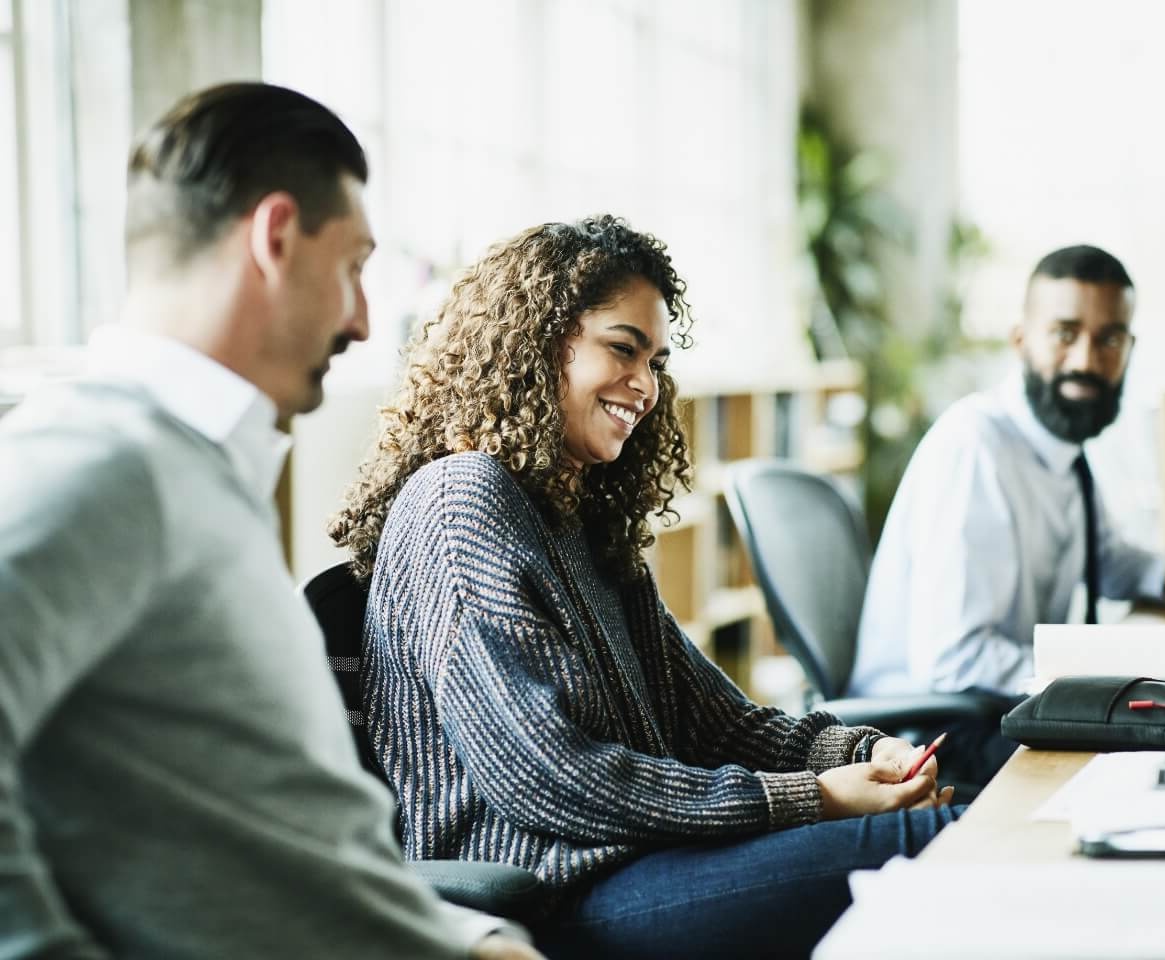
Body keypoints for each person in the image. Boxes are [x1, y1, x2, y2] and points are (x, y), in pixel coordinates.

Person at [0, 82, 540, 959]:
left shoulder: (193, 474)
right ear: (275, 237)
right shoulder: (101, 465)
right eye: (355, 267)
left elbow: (261, 835)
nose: (364, 320)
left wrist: (468, 938)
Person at [330, 215, 960, 960]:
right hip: (555, 901)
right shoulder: (460, 502)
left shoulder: (578, 519)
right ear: (537, 344)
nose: (645, 387)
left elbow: (718, 725)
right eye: (622, 349)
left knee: (965, 828)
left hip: (641, 865)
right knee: (938, 845)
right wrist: (814, 799)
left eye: (655, 360)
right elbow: (548, 778)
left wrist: (860, 750)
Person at [849, 244, 1165, 782]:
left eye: (1108, 339)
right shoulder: (976, 448)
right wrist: (1094, 676)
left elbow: (1101, 556)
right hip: (931, 734)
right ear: (1021, 341)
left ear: (1129, 349)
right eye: (1064, 332)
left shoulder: (1062, 452)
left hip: (997, 710)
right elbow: (954, 659)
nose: (1086, 359)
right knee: (1142, 759)